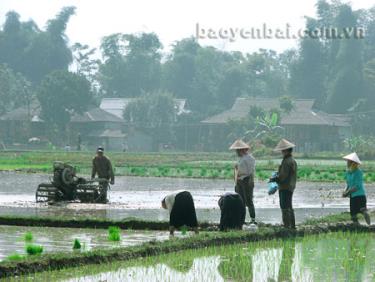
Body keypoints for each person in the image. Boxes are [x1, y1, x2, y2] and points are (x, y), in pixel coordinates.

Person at [270, 139, 297, 229]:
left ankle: (287, 225)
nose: (282, 152)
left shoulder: (286, 161)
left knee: (284, 206)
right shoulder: (292, 160)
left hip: (285, 186)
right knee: (289, 205)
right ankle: (292, 225)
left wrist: (274, 179)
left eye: (282, 150)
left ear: (286, 150)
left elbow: (283, 176)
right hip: (290, 186)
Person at [229, 139, 257, 224]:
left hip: (246, 181)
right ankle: (242, 219)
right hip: (240, 181)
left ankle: (252, 219)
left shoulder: (249, 158)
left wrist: (238, 172)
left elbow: (249, 171)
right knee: (241, 201)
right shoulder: (241, 159)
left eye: (237, 150)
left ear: (242, 149)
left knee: (249, 200)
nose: (236, 152)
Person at [342, 152, 371, 225]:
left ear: (353, 163)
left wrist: (347, 193)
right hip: (353, 196)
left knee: (364, 211)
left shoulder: (358, 172)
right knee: (353, 214)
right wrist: (345, 191)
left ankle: (370, 226)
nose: (347, 163)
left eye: (348, 161)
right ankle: (357, 227)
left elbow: (356, 187)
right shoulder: (348, 172)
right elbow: (348, 184)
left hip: (359, 195)